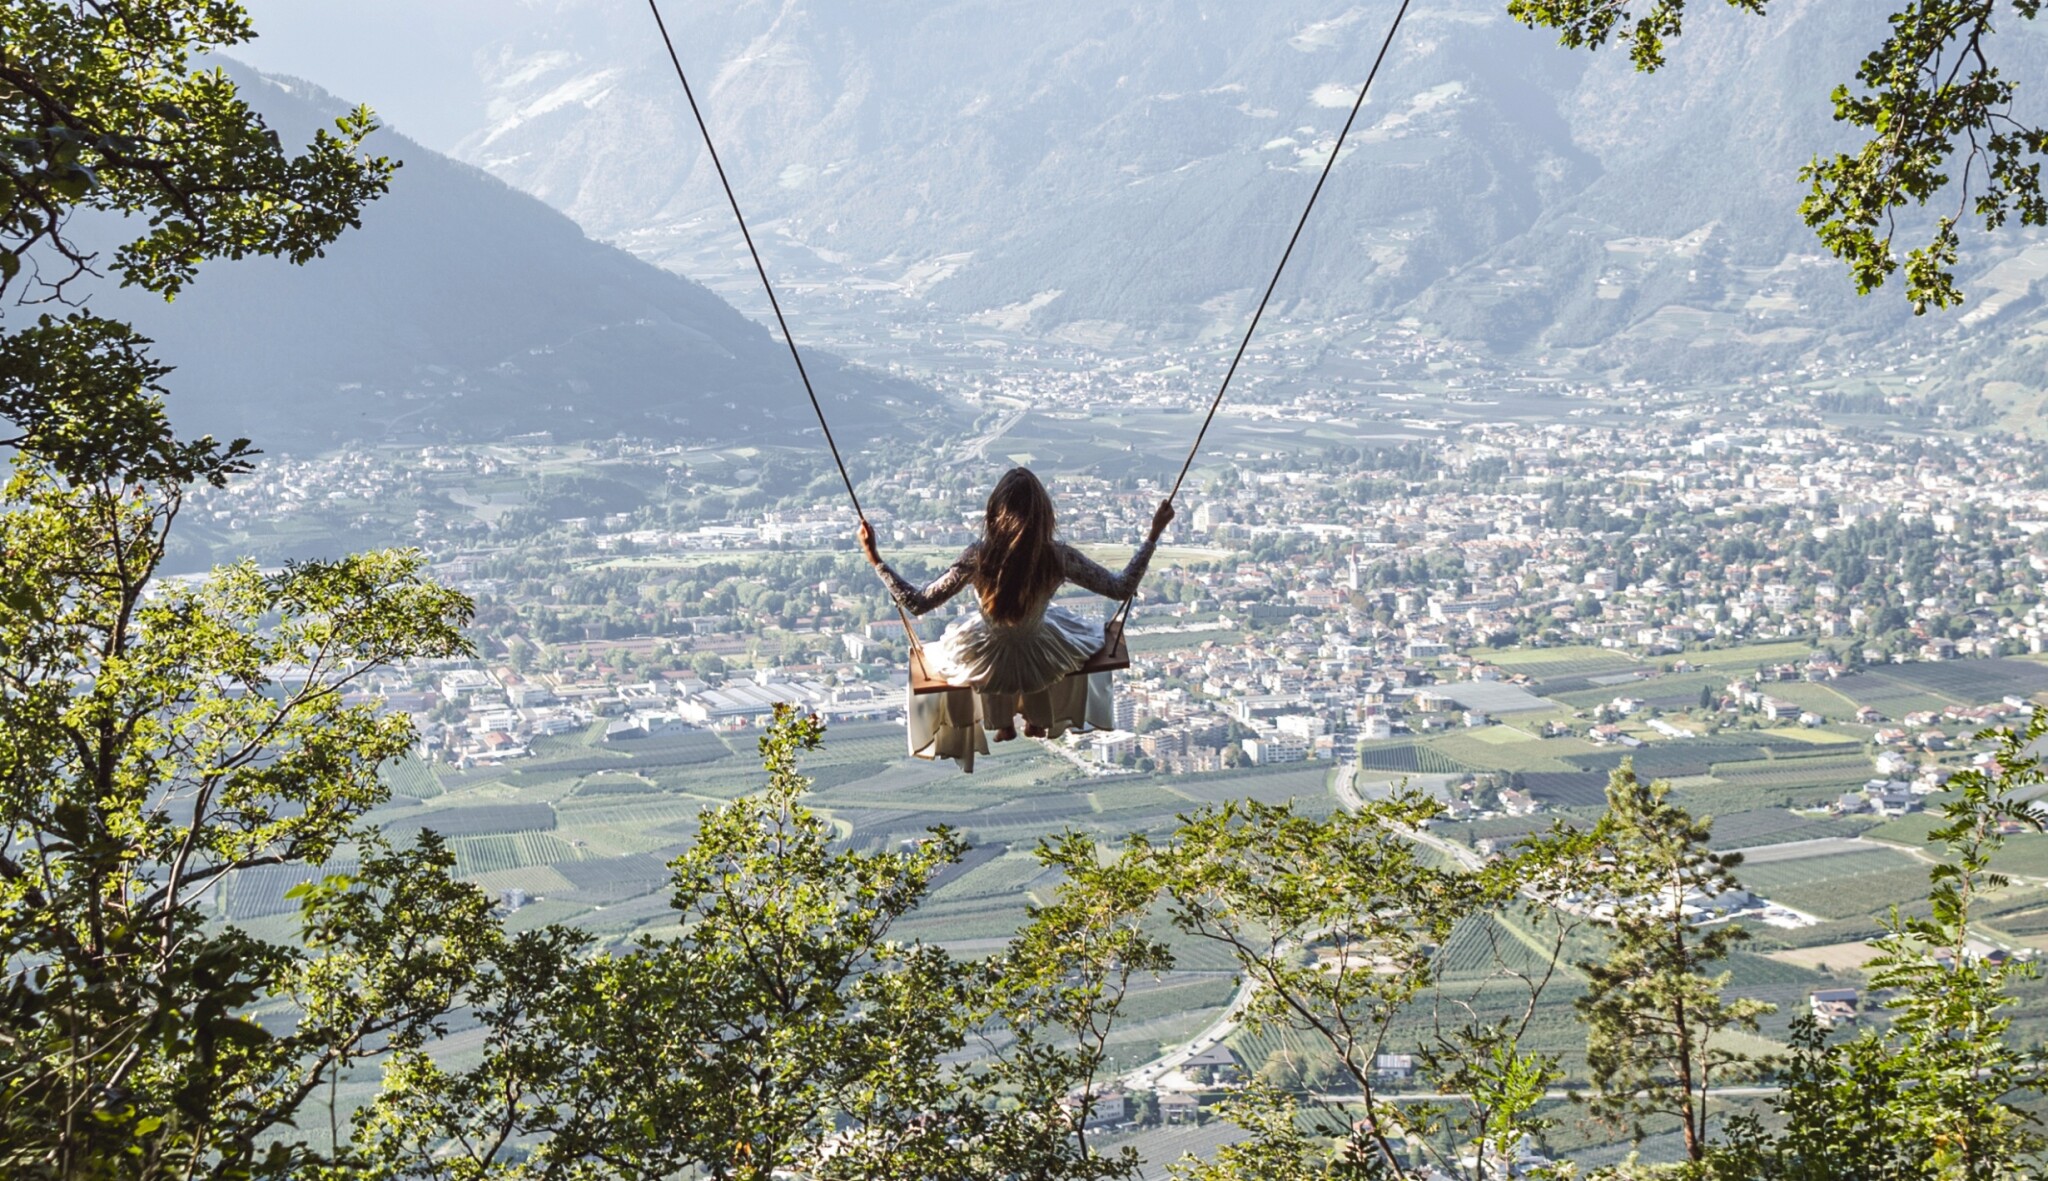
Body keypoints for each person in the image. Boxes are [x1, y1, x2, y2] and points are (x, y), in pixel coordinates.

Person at [859, 467, 1175, 771]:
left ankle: (1004, 725)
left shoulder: (978, 557)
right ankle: (1036, 722)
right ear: (1044, 515)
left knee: (993, 664)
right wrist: (1153, 535)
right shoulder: (1057, 556)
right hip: (1041, 646)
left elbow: (917, 601)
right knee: (1036, 663)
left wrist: (876, 559)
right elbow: (1120, 587)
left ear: (994, 513)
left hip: (987, 651)